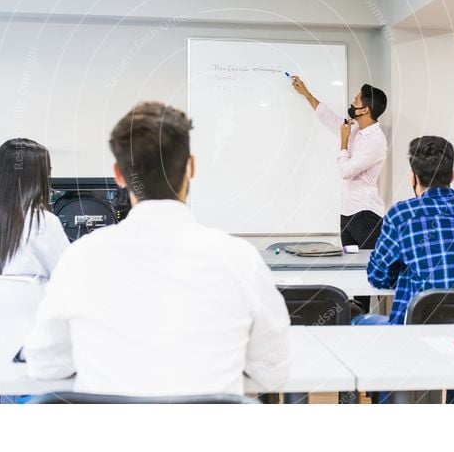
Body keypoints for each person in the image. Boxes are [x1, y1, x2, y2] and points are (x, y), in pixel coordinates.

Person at [24, 102, 290, 396]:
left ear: (119, 174)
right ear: (191, 167)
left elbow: (44, 365)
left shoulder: (79, 258)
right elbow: (272, 373)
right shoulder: (240, 259)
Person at [361, 135, 454, 404]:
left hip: (415, 338)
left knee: (358, 322)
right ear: (452, 175)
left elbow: (378, 276)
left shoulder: (403, 214)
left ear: (413, 176)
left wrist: (407, 270)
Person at [291, 78, 388, 250]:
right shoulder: (357, 129)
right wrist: (306, 93)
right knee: (350, 265)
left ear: (365, 109)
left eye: (356, 100)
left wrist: (343, 141)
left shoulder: (375, 140)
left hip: (365, 214)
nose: (352, 102)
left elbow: (346, 171)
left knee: (368, 267)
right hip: (348, 213)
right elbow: (329, 118)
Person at [0, 138, 69, 282]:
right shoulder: (43, 222)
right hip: (33, 304)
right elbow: (67, 275)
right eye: (47, 173)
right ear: (36, 180)